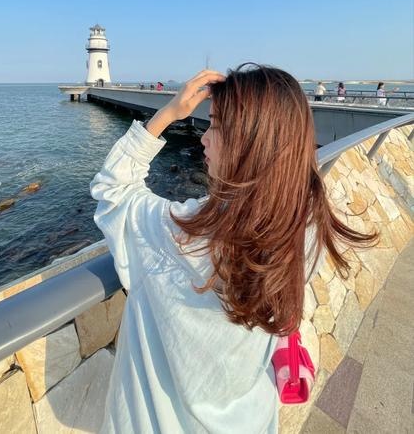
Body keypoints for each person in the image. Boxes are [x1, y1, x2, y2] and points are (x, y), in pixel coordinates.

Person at [91, 65, 376, 434]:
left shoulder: (183, 235)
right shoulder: (305, 221)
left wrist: (167, 114)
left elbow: (113, 191)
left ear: (252, 142)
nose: (203, 139)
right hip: (250, 416)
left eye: (216, 126)